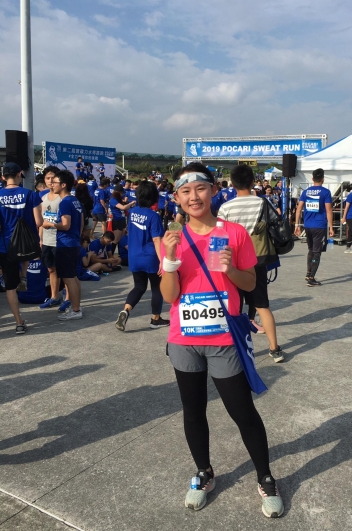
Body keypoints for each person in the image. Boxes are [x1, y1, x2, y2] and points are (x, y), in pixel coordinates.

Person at [160, 163, 284, 518]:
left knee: (241, 410)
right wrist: (170, 259)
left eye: (200, 188)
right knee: (193, 410)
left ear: (214, 190)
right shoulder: (173, 237)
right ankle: (204, 472)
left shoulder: (234, 233)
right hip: (184, 339)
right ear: (177, 198)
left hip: (223, 338)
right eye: (185, 191)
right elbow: (169, 296)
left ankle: (265, 477)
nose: (193, 197)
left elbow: (250, 284)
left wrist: (230, 270)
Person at [218, 165, 284, 363]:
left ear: (232, 183)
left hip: (232, 263)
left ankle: (235, 349)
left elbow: (219, 234)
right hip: (257, 258)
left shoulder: (226, 207)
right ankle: (274, 349)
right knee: (262, 305)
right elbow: (277, 221)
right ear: (253, 182)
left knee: (234, 307)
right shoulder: (262, 202)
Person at [115, 182, 168, 332]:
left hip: (134, 256)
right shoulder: (153, 216)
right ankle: (155, 319)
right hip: (150, 256)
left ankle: (126, 310)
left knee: (139, 286)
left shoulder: (132, 212)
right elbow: (157, 239)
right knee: (157, 287)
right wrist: (162, 260)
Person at [0, 163, 43, 333]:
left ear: (3, 177)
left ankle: (19, 323)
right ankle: (23, 276)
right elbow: (39, 222)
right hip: (25, 243)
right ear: (19, 174)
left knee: (10, 287)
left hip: (5, 245)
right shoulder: (30, 194)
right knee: (26, 255)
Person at [42, 170, 83, 321]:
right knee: (73, 277)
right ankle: (76, 306)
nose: (52, 184)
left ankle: (76, 310)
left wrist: (49, 224)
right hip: (73, 243)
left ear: (63, 185)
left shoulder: (65, 202)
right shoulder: (75, 200)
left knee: (68, 278)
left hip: (66, 243)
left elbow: (66, 225)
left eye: (55, 182)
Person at [294, 168, 334, 286]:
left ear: (312, 179)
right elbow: (329, 210)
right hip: (319, 226)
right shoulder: (326, 192)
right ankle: (311, 278)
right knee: (317, 252)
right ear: (323, 179)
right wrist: (331, 227)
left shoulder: (306, 192)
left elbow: (298, 209)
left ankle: (308, 273)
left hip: (308, 226)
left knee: (311, 250)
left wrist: (297, 225)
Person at [39, 167, 63, 309]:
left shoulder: (63, 198)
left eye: (53, 178)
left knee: (65, 272)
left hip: (61, 240)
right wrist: (40, 239)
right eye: (47, 178)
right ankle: (54, 297)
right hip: (47, 240)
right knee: (51, 270)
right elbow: (41, 221)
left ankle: (69, 298)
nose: (50, 181)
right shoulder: (42, 197)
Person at [109, 186, 135, 250]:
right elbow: (123, 207)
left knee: (122, 239)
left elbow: (125, 207)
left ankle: (120, 253)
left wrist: (130, 205)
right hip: (117, 221)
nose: (121, 194)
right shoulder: (113, 200)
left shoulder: (119, 200)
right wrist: (131, 203)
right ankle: (111, 253)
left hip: (122, 220)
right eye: (121, 193)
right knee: (116, 239)